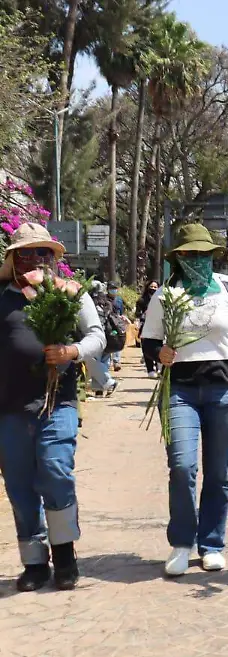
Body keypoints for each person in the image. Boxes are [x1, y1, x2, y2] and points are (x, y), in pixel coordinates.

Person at [141, 224, 228, 578]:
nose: (198, 260)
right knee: (182, 467)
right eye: (190, 254)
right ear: (178, 257)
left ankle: (212, 544)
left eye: (203, 254)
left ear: (212, 255)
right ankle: (181, 543)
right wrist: (158, 352)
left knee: (218, 473)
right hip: (181, 390)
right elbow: (149, 341)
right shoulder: (166, 295)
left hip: (225, 390)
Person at [0, 223, 106, 591]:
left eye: (43, 253)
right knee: (18, 487)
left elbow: (97, 336)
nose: (34, 260)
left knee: (55, 470)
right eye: (26, 253)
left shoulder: (69, 296)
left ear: (52, 260)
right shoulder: (2, 298)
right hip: (10, 409)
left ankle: (64, 554)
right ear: (13, 259)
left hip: (57, 402)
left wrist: (70, 352)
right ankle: (33, 563)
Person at [135, 280, 160, 376]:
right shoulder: (142, 300)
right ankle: (150, 369)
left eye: (155, 287)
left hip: (158, 326)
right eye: (151, 287)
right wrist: (143, 314)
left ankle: (158, 368)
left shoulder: (161, 299)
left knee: (159, 347)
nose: (153, 289)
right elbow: (137, 313)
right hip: (145, 326)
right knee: (146, 347)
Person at [107, 283, 125, 371]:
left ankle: (116, 361)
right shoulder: (104, 299)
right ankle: (107, 361)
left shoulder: (119, 300)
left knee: (116, 340)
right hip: (107, 324)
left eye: (115, 288)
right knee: (108, 341)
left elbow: (121, 312)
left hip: (116, 325)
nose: (113, 290)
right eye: (111, 288)